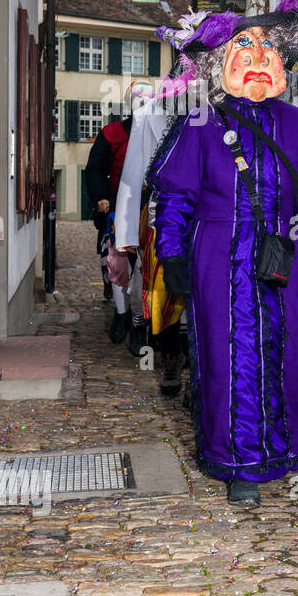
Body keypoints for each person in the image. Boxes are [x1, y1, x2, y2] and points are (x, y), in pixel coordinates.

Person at [149, 0, 298, 506]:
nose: (259, 60)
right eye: (245, 50)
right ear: (219, 62)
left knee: (289, 350)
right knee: (230, 354)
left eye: (268, 52)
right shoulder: (199, 122)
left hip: (286, 254)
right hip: (219, 256)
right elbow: (174, 198)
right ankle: (238, 463)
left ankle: (285, 448)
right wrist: (171, 256)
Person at [116, 77, 188, 396]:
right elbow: (134, 171)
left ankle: (198, 369)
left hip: (209, 215)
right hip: (163, 212)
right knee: (158, 285)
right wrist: (128, 223)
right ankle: (167, 354)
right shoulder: (148, 115)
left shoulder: (217, 112)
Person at [85, 108, 133, 325]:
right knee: (111, 258)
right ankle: (120, 309)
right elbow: (95, 169)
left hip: (142, 208)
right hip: (113, 208)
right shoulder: (110, 134)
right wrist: (101, 197)